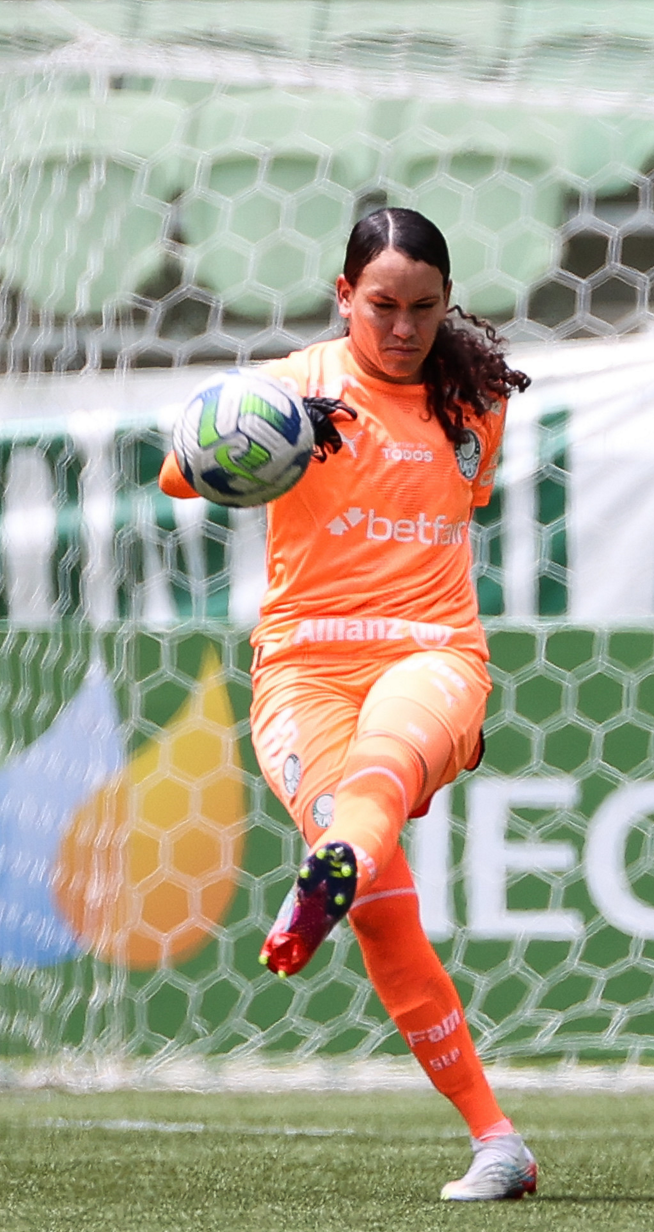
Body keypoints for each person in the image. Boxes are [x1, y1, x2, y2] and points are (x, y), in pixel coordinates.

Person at [160, 207, 536, 1202]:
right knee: (377, 907)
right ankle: (498, 1143)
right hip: (303, 665)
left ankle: (334, 860)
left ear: (447, 304)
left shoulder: (474, 401)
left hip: (429, 650)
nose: (403, 328)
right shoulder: (292, 386)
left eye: (424, 308)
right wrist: (271, 434)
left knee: (382, 765)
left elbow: (454, 507)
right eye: (382, 306)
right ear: (343, 296)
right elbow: (176, 473)